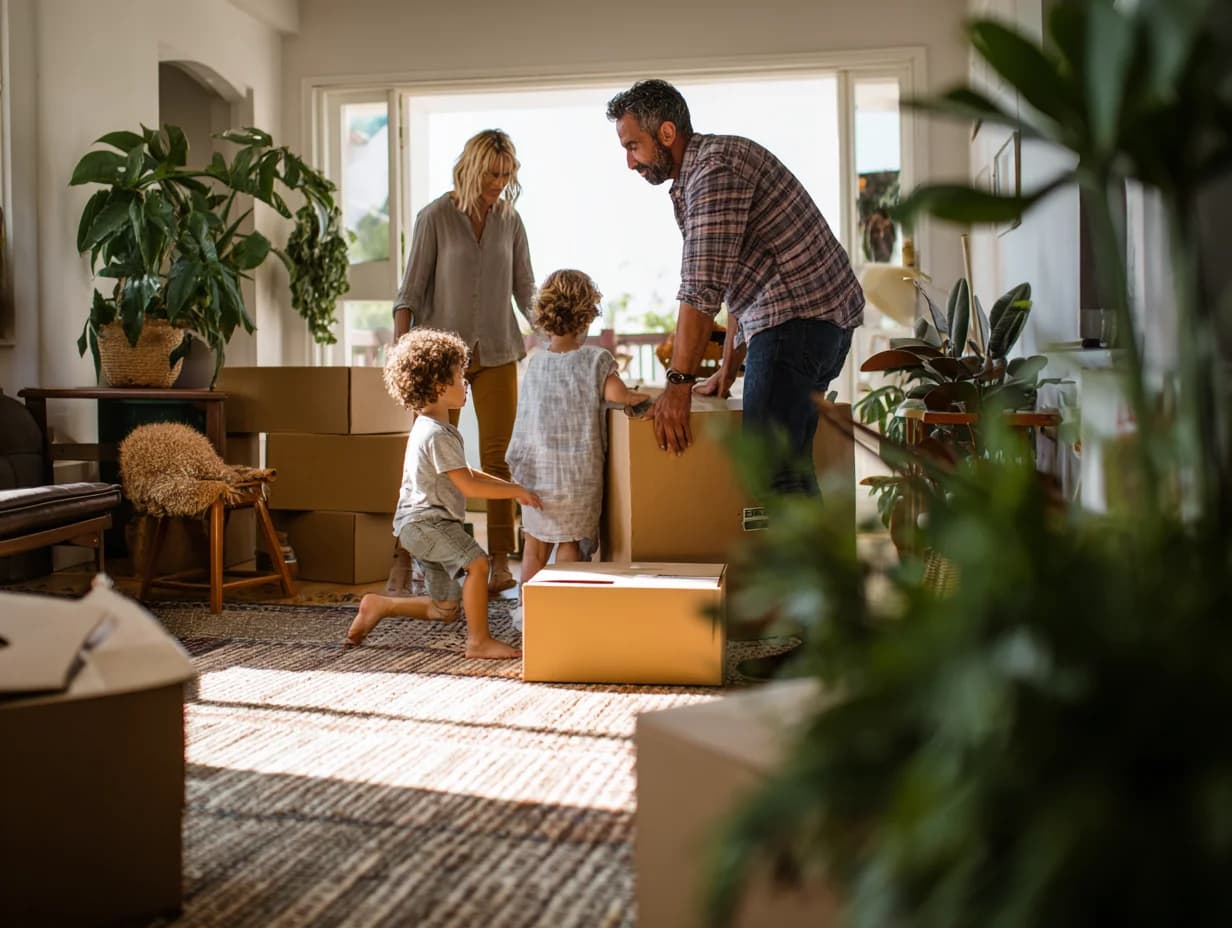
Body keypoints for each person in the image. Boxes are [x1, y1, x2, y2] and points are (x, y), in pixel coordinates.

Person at [605, 79, 864, 496]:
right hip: (814, 322)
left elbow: (702, 286)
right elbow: (735, 284)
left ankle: (803, 563)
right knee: (787, 465)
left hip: (796, 323)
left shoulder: (714, 171)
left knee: (773, 470)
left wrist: (678, 385)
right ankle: (809, 561)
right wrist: (727, 370)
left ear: (666, 134)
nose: (630, 163)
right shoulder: (708, 167)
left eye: (633, 146)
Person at [389, 129, 535, 597]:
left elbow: (526, 290)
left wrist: (556, 331)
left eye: (506, 174)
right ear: (472, 168)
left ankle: (498, 562)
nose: (499, 182)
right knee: (430, 462)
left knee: (498, 459)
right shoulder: (434, 217)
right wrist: (403, 355)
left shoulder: (511, 221)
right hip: (440, 360)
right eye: (492, 173)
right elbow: (410, 292)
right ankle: (406, 559)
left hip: (496, 351)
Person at [347, 328, 542, 660]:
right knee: (478, 564)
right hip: (428, 523)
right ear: (438, 387)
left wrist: (513, 489)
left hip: (418, 525)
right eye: (459, 376)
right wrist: (513, 491)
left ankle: (380, 606)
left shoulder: (431, 429)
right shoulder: (437, 434)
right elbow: (467, 485)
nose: (465, 382)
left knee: (445, 608)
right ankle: (478, 642)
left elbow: (463, 474)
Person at [505, 270, 648, 626]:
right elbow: (618, 396)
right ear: (586, 316)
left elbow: (527, 416)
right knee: (569, 544)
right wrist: (639, 397)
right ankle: (564, 612)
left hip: (537, 473)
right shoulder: (596, 361)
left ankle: (530, 614)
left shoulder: (535, 362)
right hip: (578, 477)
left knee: (535, 546)